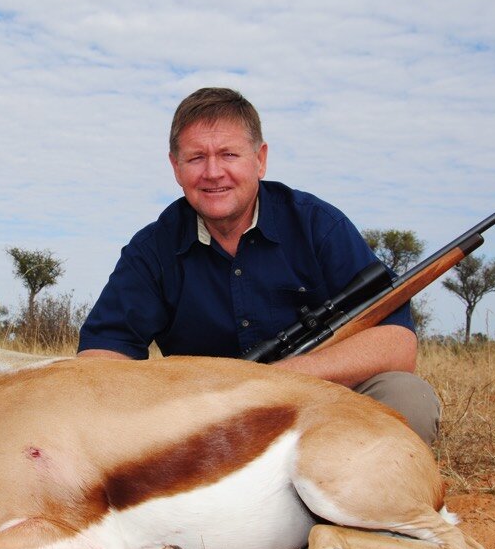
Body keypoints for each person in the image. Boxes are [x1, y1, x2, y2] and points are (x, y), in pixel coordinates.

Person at [78, 87, 440, 444]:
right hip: (204, 423)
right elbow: (101, 356)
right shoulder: (151, 250)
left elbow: (397, 342)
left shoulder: (318, 225)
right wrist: (178, 398)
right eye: (196, 158)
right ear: (176, 167)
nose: (213, 172)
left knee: (409, 400)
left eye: (229, 154)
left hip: (321, 405)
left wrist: (280, 378)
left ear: (260, 159)